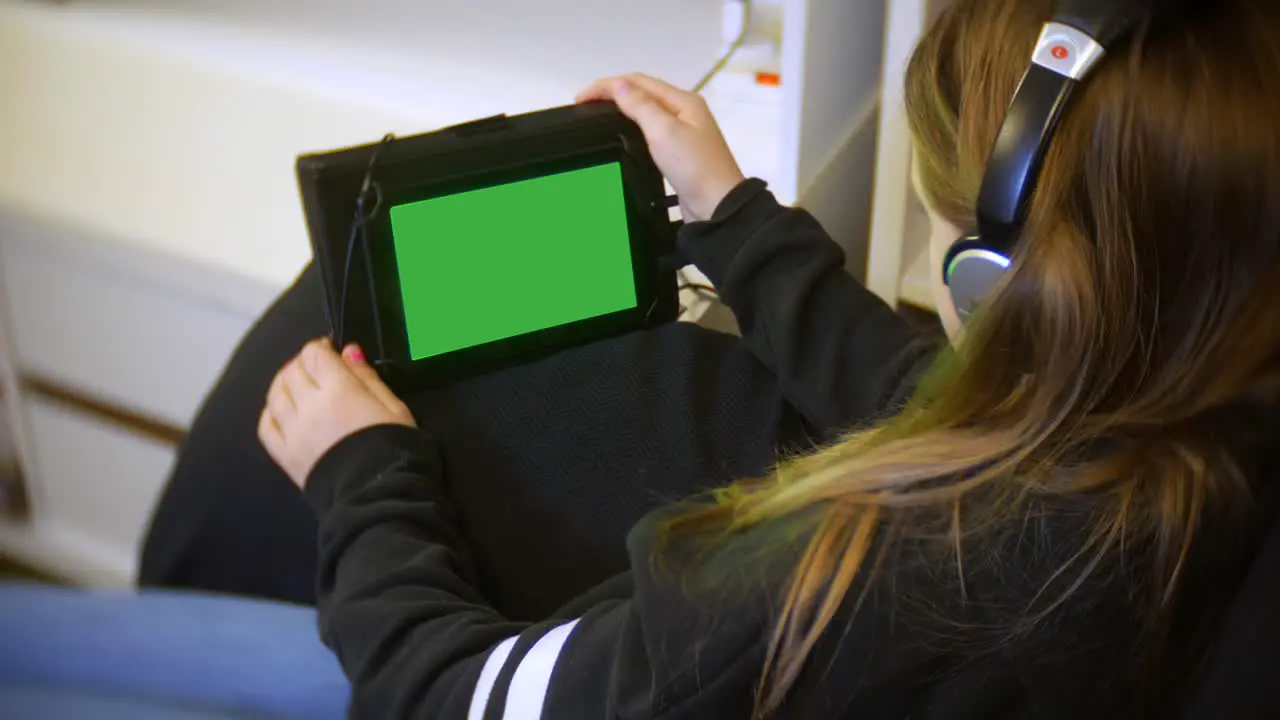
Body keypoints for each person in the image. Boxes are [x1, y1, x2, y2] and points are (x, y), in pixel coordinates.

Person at [5, 0, 1278, 717]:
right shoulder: (1196, 443)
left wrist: (358, 475)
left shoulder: (831, 594)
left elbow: (452, 696)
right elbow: (963, 400)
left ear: (993, 285)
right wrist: (733, 219)